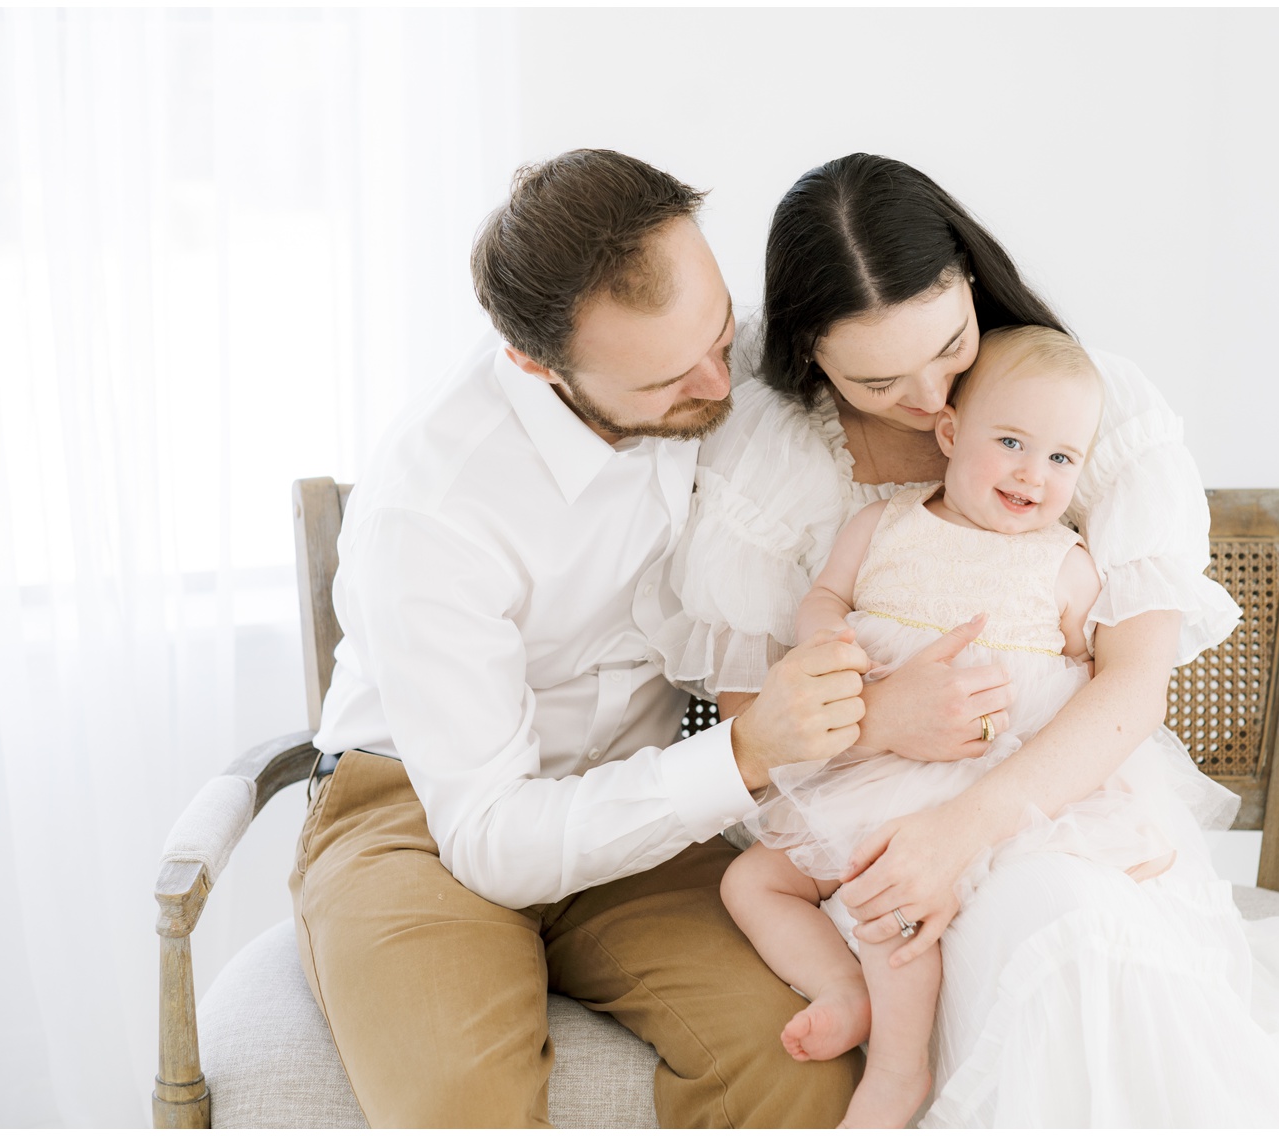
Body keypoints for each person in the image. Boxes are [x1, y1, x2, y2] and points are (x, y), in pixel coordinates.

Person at [655, 153, 1279, 1126]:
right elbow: (755, 720)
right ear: (808, 356)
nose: (925, 396)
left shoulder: (1082, 409)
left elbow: (1126, 687)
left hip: (1053, 801)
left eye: (947, 345)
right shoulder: (776, 455)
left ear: (970, 280)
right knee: (965, 929)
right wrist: (880, 719)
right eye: (875, 376)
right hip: (860, 819)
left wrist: (963, 828)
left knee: (1065, 920)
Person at [290, 149, 872, 1127]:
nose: (713, 377)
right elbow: (488, 837)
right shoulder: (434, 509)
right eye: (661, 379)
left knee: (801, 1062)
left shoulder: (718, 371)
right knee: (461, 1111)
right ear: (535, 362)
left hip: (636, 792)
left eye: (716, 328)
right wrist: (746, 750)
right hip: (424, 813)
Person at [721, 327, 1245, 1127]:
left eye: (1063, 459)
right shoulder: (881, 527)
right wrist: (826, 635)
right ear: (951, 434)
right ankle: (841, 988)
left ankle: (897, 1072)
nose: (1035, 474)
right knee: (752, 880)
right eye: (1011, 443)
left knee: (895, 904)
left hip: (985, 779)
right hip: (875, 760)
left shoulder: (1066, 562)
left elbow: (1098, 677)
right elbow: (824, 597)